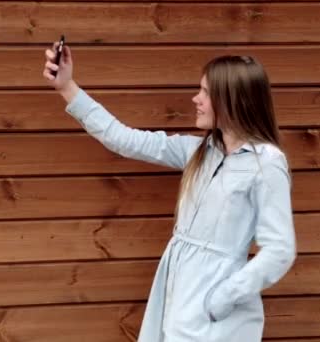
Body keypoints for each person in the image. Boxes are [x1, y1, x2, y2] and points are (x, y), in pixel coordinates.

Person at [42, 43, 296, 342]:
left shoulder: (265, 163)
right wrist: (67, 86)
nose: (196, 99)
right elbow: (124, 139)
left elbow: (280, 250)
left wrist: (224, 296)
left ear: (232, 99)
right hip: (177, 292)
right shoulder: (198, 151)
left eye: (205, 92)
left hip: (218, 309)